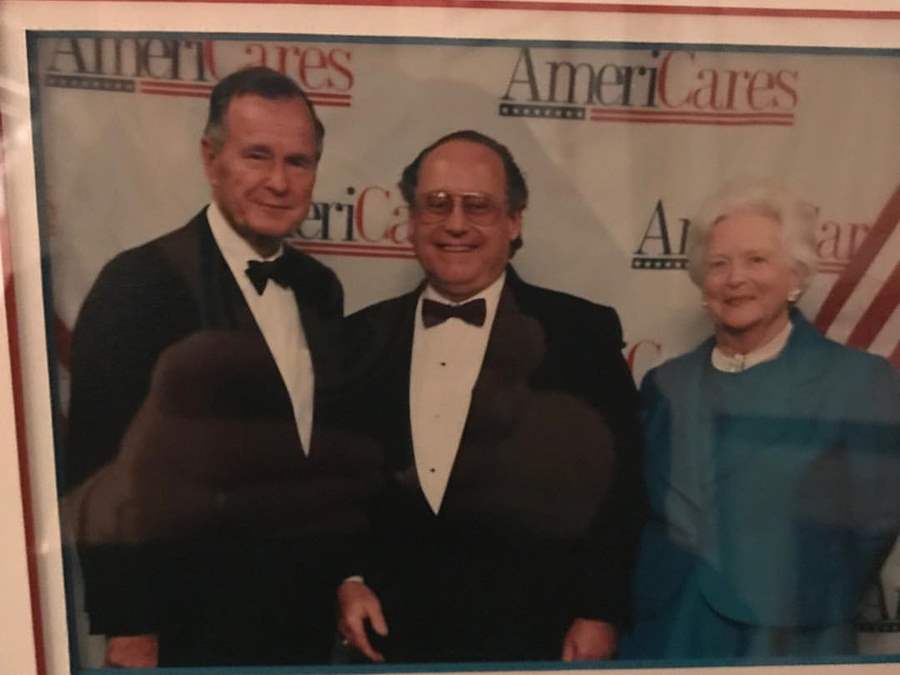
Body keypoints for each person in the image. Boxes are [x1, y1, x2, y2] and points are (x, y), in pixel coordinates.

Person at [62, 66, 370, 667]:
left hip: (300, 617)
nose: (279, 182)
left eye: (298, 162)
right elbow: (100, 473)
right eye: (257, 156)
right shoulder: (139, 284)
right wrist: (129, 627)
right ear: (211, 159)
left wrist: (344, 575)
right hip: (184, 622)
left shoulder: (320, 289)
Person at [336, 129, 645, 663]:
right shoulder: (359, 337)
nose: (455, 223)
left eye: (477, 206)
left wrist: (600, 610)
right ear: (411, 220)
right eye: (437, 204)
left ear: (514, 221)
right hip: (392, 636)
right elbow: (331, 481)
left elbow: (620, 487)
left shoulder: (580, 332)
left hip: (537, 636)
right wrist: (346, 578)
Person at [623, 179, 900, 658]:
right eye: (719, 264)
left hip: (794, 635)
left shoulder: (860, 382)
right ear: (701, 281)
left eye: (756, 260)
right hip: (670, 629)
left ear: (796, 276)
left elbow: (875, 521)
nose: (735, 279)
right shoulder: (666, 384)